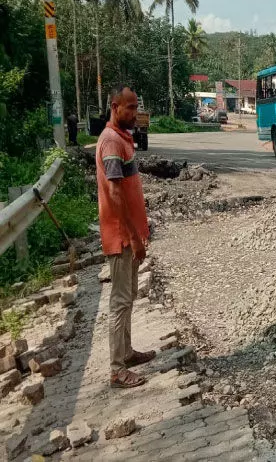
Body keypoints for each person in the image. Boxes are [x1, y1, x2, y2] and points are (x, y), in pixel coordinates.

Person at [95, 85, 155, 389]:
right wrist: (133, 236)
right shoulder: (110, 143)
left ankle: (127, 353)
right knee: (120, 302)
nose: (134, 113)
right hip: (120, 237)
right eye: (129, 107)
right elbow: (115, 193)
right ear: (115, 106)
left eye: (136, 107)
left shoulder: (121, 139)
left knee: (128, 297)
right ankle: (117, 370)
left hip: (128, 235)